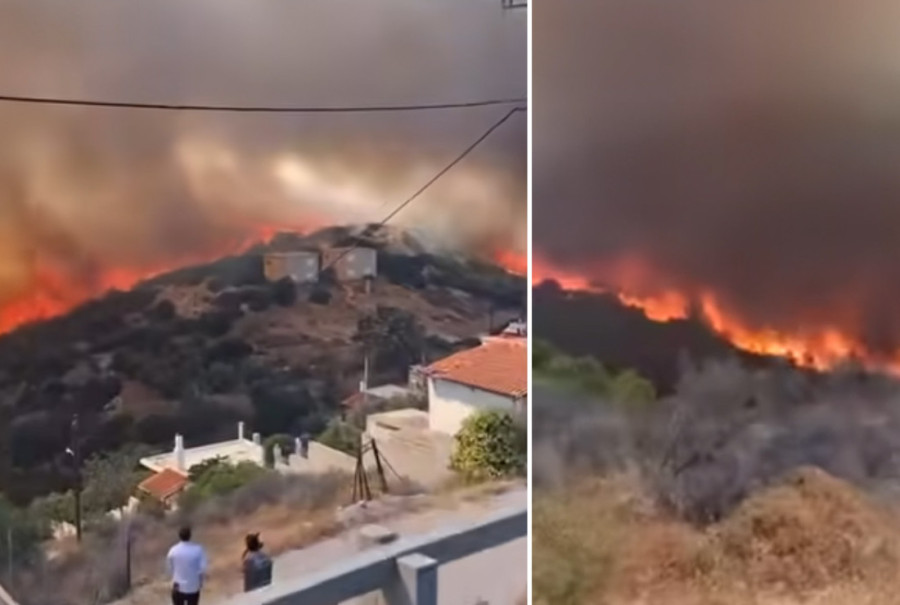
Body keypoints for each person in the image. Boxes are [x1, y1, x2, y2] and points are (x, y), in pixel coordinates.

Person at [166, 526, 208, 605]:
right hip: (193, 586)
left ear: (179, 536)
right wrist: (200, 582)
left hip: (178, 586)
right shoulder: (198, 549)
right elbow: (203, 568)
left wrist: (173, 578)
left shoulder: (173, 550)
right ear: (190, 536)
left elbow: (169, 567)